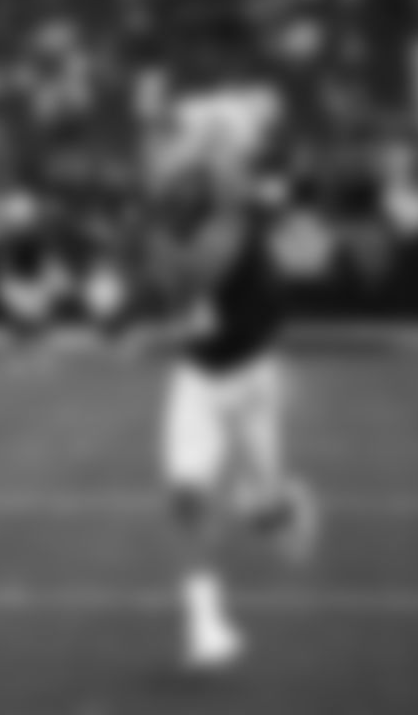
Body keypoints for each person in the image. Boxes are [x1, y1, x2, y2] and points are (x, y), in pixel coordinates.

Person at [152, 187, 320, 672]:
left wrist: (162, 329)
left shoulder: (251, 256)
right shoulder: (173, 247)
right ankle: (205, 622)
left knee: (265, 513)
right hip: (198, 381)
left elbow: (240, 326)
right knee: (186, 497)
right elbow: (176, 303)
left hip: (252, 380)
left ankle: (277, 504)